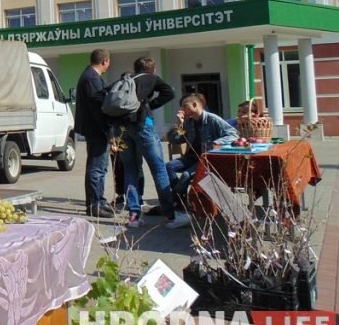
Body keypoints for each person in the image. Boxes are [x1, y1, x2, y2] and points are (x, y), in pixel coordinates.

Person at [118, 57, 188, 229]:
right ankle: (170, 217)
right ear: (152, 69)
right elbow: (169, 93)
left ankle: (134, 217)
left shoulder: (126, 81)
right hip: (144, 128)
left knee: (131, 171)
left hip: (123, 130)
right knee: (159, 170)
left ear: (135, 68)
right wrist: (149, 105)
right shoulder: (151, 79)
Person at [166, 93, 239, 201]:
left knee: (186, 175)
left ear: (194, 104)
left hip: (205, 159)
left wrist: (216, 143)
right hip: (191, 157)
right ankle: (180, 198)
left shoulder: (212, 119)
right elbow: (175, 140)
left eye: (184, 106)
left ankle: (176, 199)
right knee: (168, 166)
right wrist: (178, 124)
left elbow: (233, 134)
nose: (182, 109)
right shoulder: (188, 122)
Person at [74, 49, 114, 218]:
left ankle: (99, 202)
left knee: (100, 167)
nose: (109, 65)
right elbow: (99, 107)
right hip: (97, 129)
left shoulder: (91, 77)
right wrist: (109, 131)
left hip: (95, 128)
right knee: (97, 168)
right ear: (104, 61)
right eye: (108, 62)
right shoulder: (91, 78)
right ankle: (95, 205)